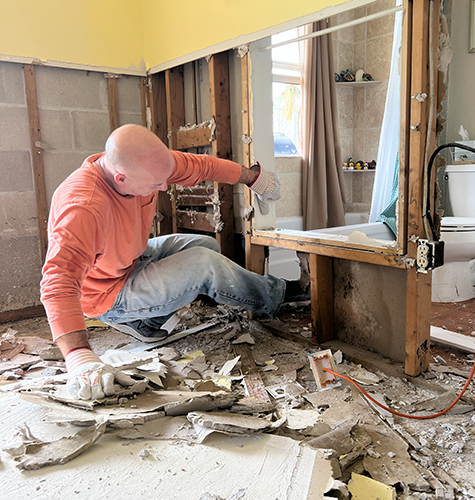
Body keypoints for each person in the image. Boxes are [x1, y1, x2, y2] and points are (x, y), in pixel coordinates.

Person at [41, 124, 309, 400]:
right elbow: (57, 283)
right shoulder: (84, 207)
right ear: (120, 179)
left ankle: (149, 319)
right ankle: (278, 295)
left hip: (130, 261)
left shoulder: (144, 164)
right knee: (204, 263)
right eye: (156, 185)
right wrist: (78, 356)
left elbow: (203, 167)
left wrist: (253, 178)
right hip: (108, 293)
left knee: (206, 246)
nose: (164, 187)